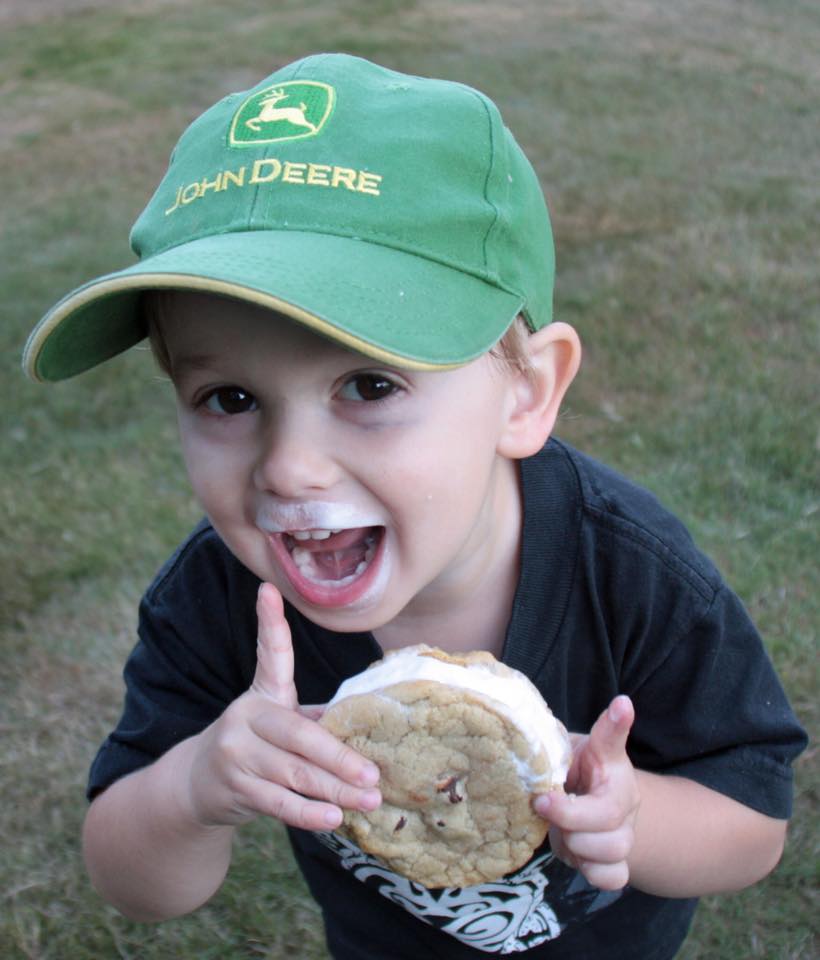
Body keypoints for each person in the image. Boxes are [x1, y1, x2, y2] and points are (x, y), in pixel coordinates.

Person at [23, 53, 806, 959]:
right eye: (229, 399)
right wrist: (197, 786)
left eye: (368, 384)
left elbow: (755, 822)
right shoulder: (217, 600)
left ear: (525, 395)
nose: (291, 469)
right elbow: (133, 882)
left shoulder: (630, 573)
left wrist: (635, 822)